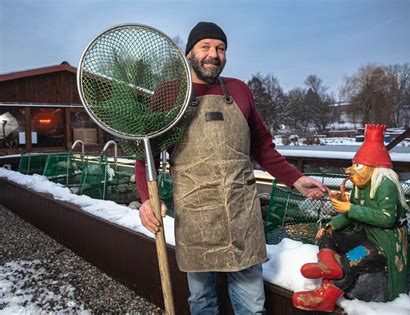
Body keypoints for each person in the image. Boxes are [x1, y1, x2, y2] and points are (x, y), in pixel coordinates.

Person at [135, 21, 328, 315]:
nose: (214, 54)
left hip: (241, 215)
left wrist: (296, 179)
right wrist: (147, 199)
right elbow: (145, 152)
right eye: (206, 46)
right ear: (189, 53)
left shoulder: (239, 90)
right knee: (201, 301)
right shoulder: (170, 93)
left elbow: (262, 146)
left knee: (252, 304)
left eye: (221, 48)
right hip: (196, 215)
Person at [292, 124, 408, 312]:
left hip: (384, 244)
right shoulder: (360, 186)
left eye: (359, 166)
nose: (352, 170)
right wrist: (332, 224)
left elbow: (387, 218)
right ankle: (328, 264)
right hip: (365, 234)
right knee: (327, 234)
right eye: (354, 165)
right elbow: (350, 214)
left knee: (350, 259)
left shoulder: (386, 185)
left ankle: (326, 298)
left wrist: (350, 208)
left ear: (375, 168)